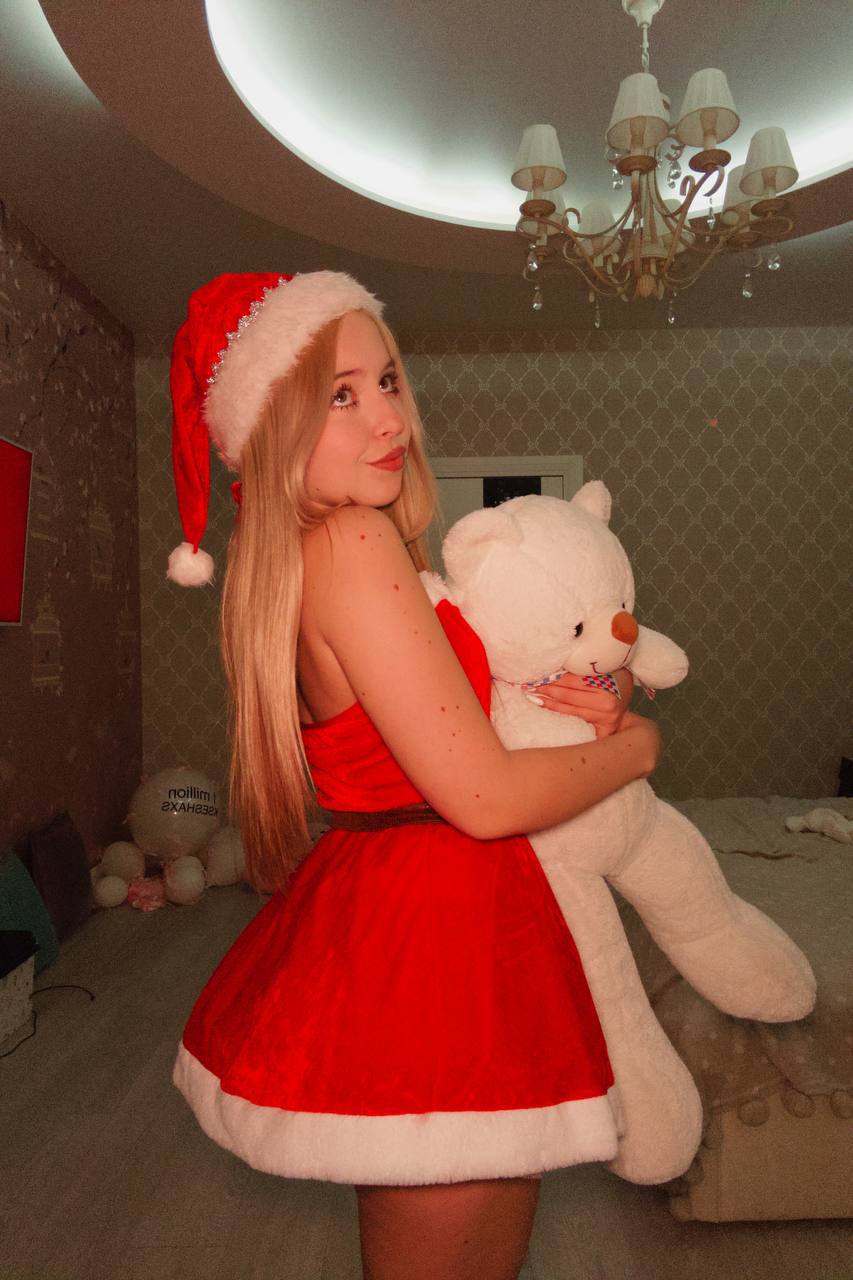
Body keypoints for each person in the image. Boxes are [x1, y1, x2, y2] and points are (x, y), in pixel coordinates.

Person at [166, 270, 661, 1280]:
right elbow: (484, 797)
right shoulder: (351, 541)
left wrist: (583, 707)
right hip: (439, 933)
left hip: (415, 909)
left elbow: (451, 744)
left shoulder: (306, 553)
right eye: (341, 395)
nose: (389, 417)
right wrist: (637, 748)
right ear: (274, 426)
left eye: (386, 379)